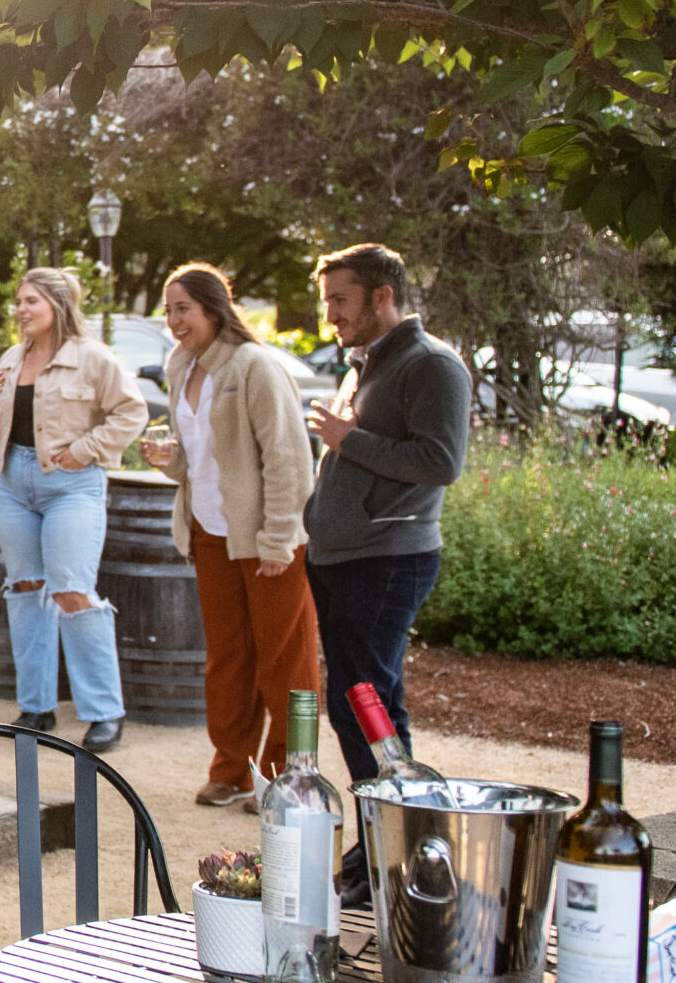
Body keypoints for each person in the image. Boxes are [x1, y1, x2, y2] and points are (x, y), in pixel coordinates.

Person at [303, 243, 470, 898]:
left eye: (340, 300)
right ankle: (381, 845)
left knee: (372, 707)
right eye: (327, 303)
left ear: (382, 296)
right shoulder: (366, 364)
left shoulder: (432, 365)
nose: (331, 316)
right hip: (343, 559)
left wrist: (349, 440)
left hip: (388, 560)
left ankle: (395, 852)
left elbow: (440, 459)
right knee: (355, 706)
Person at [137, 263, 320, 808]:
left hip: (268, 539)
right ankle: (230, 770)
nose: (173, 321)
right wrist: (171, 462)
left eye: (183, 309)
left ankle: (290, 777)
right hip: (209, 532)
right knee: (227, 657)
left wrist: (279, 537)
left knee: (285, 662)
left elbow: (289, 457)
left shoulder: (254, 366)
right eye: (168, 310)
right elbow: (205, 460)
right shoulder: (181, 367)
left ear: (215, 308)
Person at [0, 267, 147, 752]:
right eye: (19, 301)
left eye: (32, 302)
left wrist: (86, 449)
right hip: (11, 483)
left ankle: (105, 713)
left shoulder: (93, 358)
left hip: (71, 486)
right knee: (26, 589)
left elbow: (133, 412)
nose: (21, 310)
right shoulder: (10, 358)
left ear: (58, 306)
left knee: (70, 591)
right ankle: (36, 708)